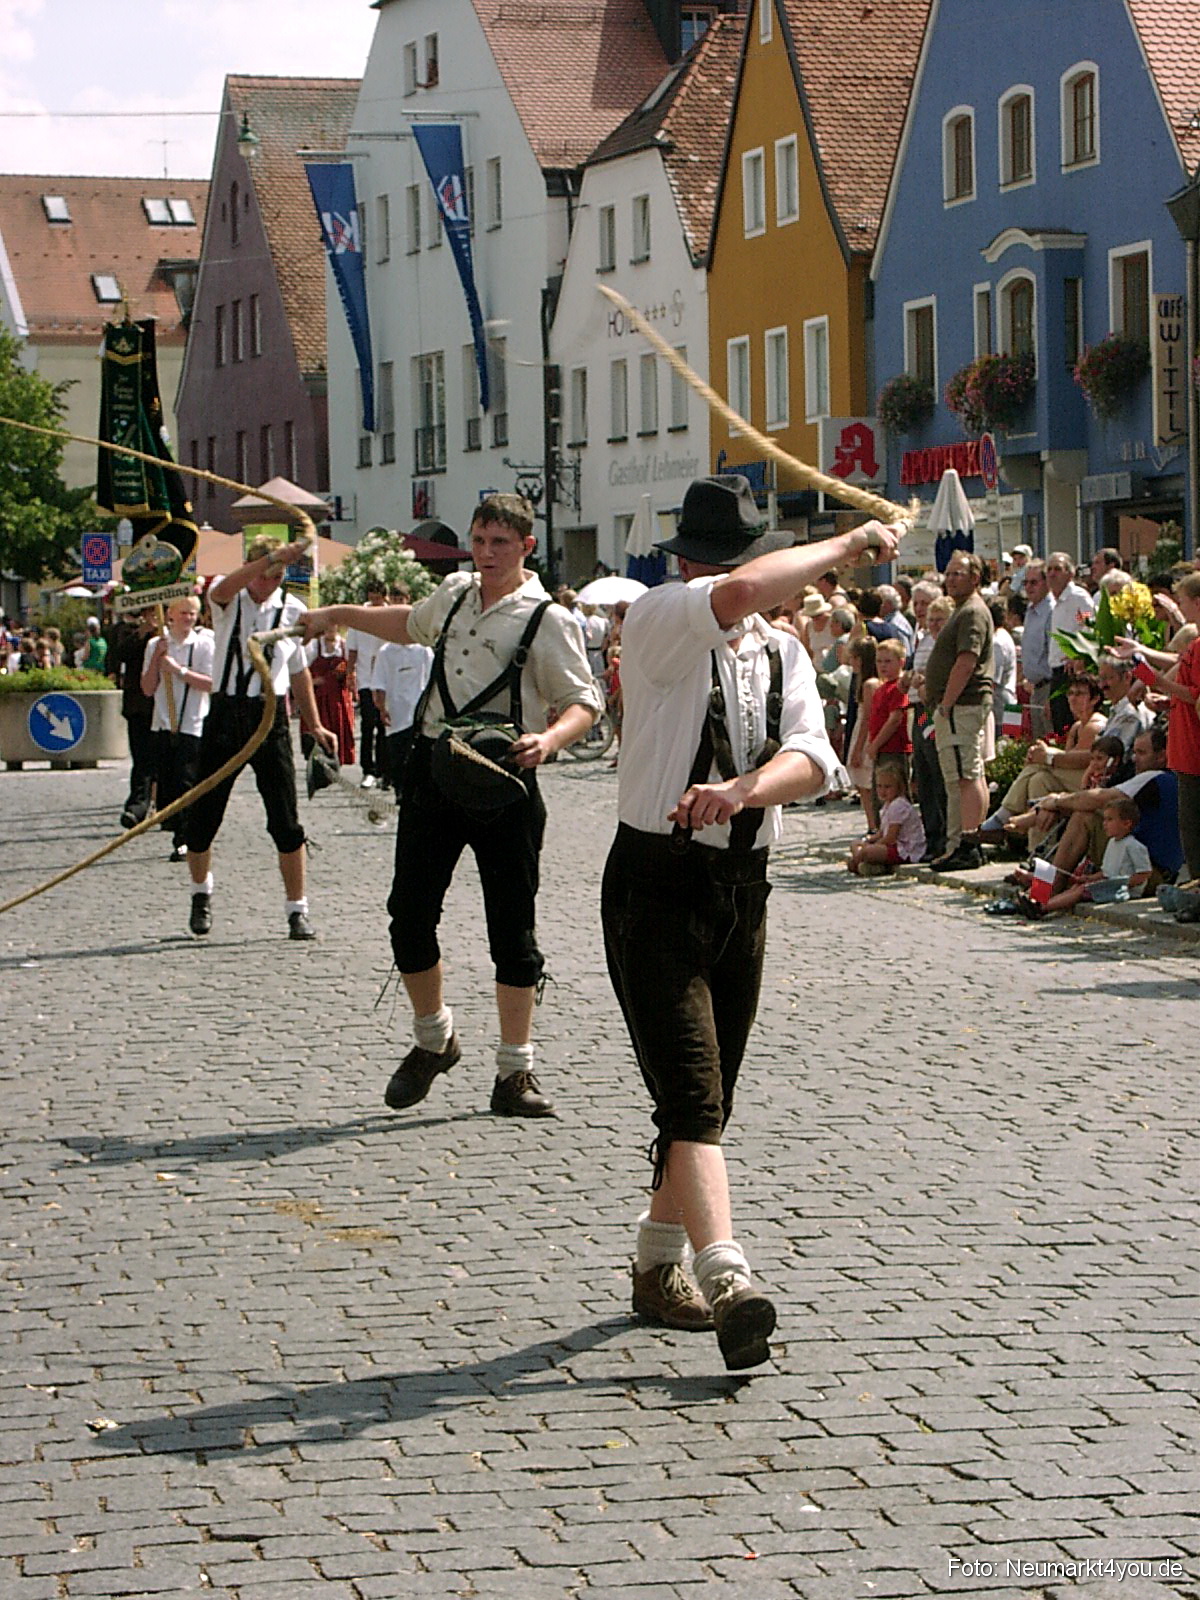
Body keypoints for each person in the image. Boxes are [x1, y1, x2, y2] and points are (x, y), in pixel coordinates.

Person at [601, 473, 900, 1372]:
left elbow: (812, 760)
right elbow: (732, 595)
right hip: (655, 885)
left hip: (743, 886)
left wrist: (740, 790)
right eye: (726, 566)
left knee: (708, 1099)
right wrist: (851, 543)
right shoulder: (659, 616)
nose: (742, 583)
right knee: (694, 1097)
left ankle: (655, 1264)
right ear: (690, 564)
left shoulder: (782, 652)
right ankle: (728, 1281)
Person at [302, 494, 602, 1118]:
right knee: (408, 917)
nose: (486, 554)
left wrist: (550, 739)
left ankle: (514, 1072)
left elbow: (584, 702)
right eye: (479, 540)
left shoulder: (548, 618)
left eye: (500, 543)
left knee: (512, 934)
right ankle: (434, 1039)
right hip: (434, 774)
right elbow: (407, 624)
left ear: (526, 546)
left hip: (505, 782)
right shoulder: (456, 593)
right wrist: (336, 614)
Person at [183, 533, 336, 941]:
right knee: (203, 816)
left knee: (286, 821)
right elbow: (223, 588)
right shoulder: (229, 599)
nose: (269, 582)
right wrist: (267, 559)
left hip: (270, 719)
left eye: (277, 575)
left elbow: (299, 671)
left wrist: (314, 724)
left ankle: (297, 909)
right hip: (225, 715)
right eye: (264, 573)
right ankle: (200, 893)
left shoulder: (294, 610)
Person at [1112, 572, 1200, 891]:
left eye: (1183, 602)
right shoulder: (1194, 645)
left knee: (1193, 829)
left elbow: (1194, 693)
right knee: (1189, 827)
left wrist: (1156, 681)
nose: (1179, 608)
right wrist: (1168, 699)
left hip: (1192, 748)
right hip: (1184, 743)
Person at [925, 551, 994, 871]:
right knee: (968, 774)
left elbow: (967, 661)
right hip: (959, 705)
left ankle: (967, 844)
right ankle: (969, 840)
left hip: (961, 705)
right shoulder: (962, 609)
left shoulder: (972, 612)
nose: (950, 579)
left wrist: (946, 704)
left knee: (966, 776)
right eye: (948, 573)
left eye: (958, 574)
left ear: (975, 578)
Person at [141, 595, 214, 861]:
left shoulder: (204, 644)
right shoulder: (155, 644)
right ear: (170, 614)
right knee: (168, 783)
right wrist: (157, 659)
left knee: (187, 781)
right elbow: (147, 688)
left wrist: (178, 670)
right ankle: (177, 827)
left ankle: (185, 840)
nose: (189, 618)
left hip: (193, 722)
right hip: (164, 722)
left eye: (193, 613)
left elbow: (211, 683)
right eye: (183, 613)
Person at [110, 608, 158, 829]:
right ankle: (138, 806)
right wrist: (143, 633)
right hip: (139, 706)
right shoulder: (128, 631)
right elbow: (120, 654)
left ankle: (165, 805)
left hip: (169, 706)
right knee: (142, 759)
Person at [372, 632, 433, 784]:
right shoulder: (385, 652)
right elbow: (379, 684)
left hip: (419, 715)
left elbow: (432, 681)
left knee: (419, 760)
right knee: (398, 759)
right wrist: (382, 709)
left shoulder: (423, 650)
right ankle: (397, 788)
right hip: (396, 715)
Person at [846, 759, 925, 875]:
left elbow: (890, 838)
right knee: (856, 844)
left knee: (867, 852)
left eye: (887, 787)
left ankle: (858, 861)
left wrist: (872, 846)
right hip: (891, 846)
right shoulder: (888, 805)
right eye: (879, 786)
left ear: (899, 787)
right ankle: (871, 865)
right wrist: (868, 840)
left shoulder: (898, 806)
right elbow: (882, 832)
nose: (882, 791)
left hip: (904, 849)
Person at [345, 583, 388, 789]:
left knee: (384, 725)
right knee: (368, 724)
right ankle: (368, 770)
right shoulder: (359, 617)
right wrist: (350, 673)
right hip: (366, 678)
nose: (375, 601)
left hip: (387, 679)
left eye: (378, 598)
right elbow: (352, 649)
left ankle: (383, 769)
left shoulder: (390, 615)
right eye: (372, 597)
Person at [1046, 552, 1095, 734]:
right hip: (1056, 671)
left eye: (1057, 569)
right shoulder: (1055, 602)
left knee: (1069, 724)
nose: (1052, 574)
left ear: (1070, 573)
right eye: (1049, 569)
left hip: (1071, 671)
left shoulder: (1077, 598)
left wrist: (1078, 655)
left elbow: (1089, 627)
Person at [306, 624, 357, 766]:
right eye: (327, 627)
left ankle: (339, 758)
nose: (330, 630)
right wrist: (314, 681)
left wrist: (347, 678)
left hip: (339, 696)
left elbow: (350, 668)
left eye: (333, 626)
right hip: (320, 696)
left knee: (340, 725)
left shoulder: (344, 646)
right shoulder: (315, 646)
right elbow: (304, 669)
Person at [844, 637, 880, 829]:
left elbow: (867, 718)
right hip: (865, 731)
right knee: (864, 784)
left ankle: (873, 825)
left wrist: (858, 749)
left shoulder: (869, 685)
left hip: (865, 735)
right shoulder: (866, 682)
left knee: (866, 785)